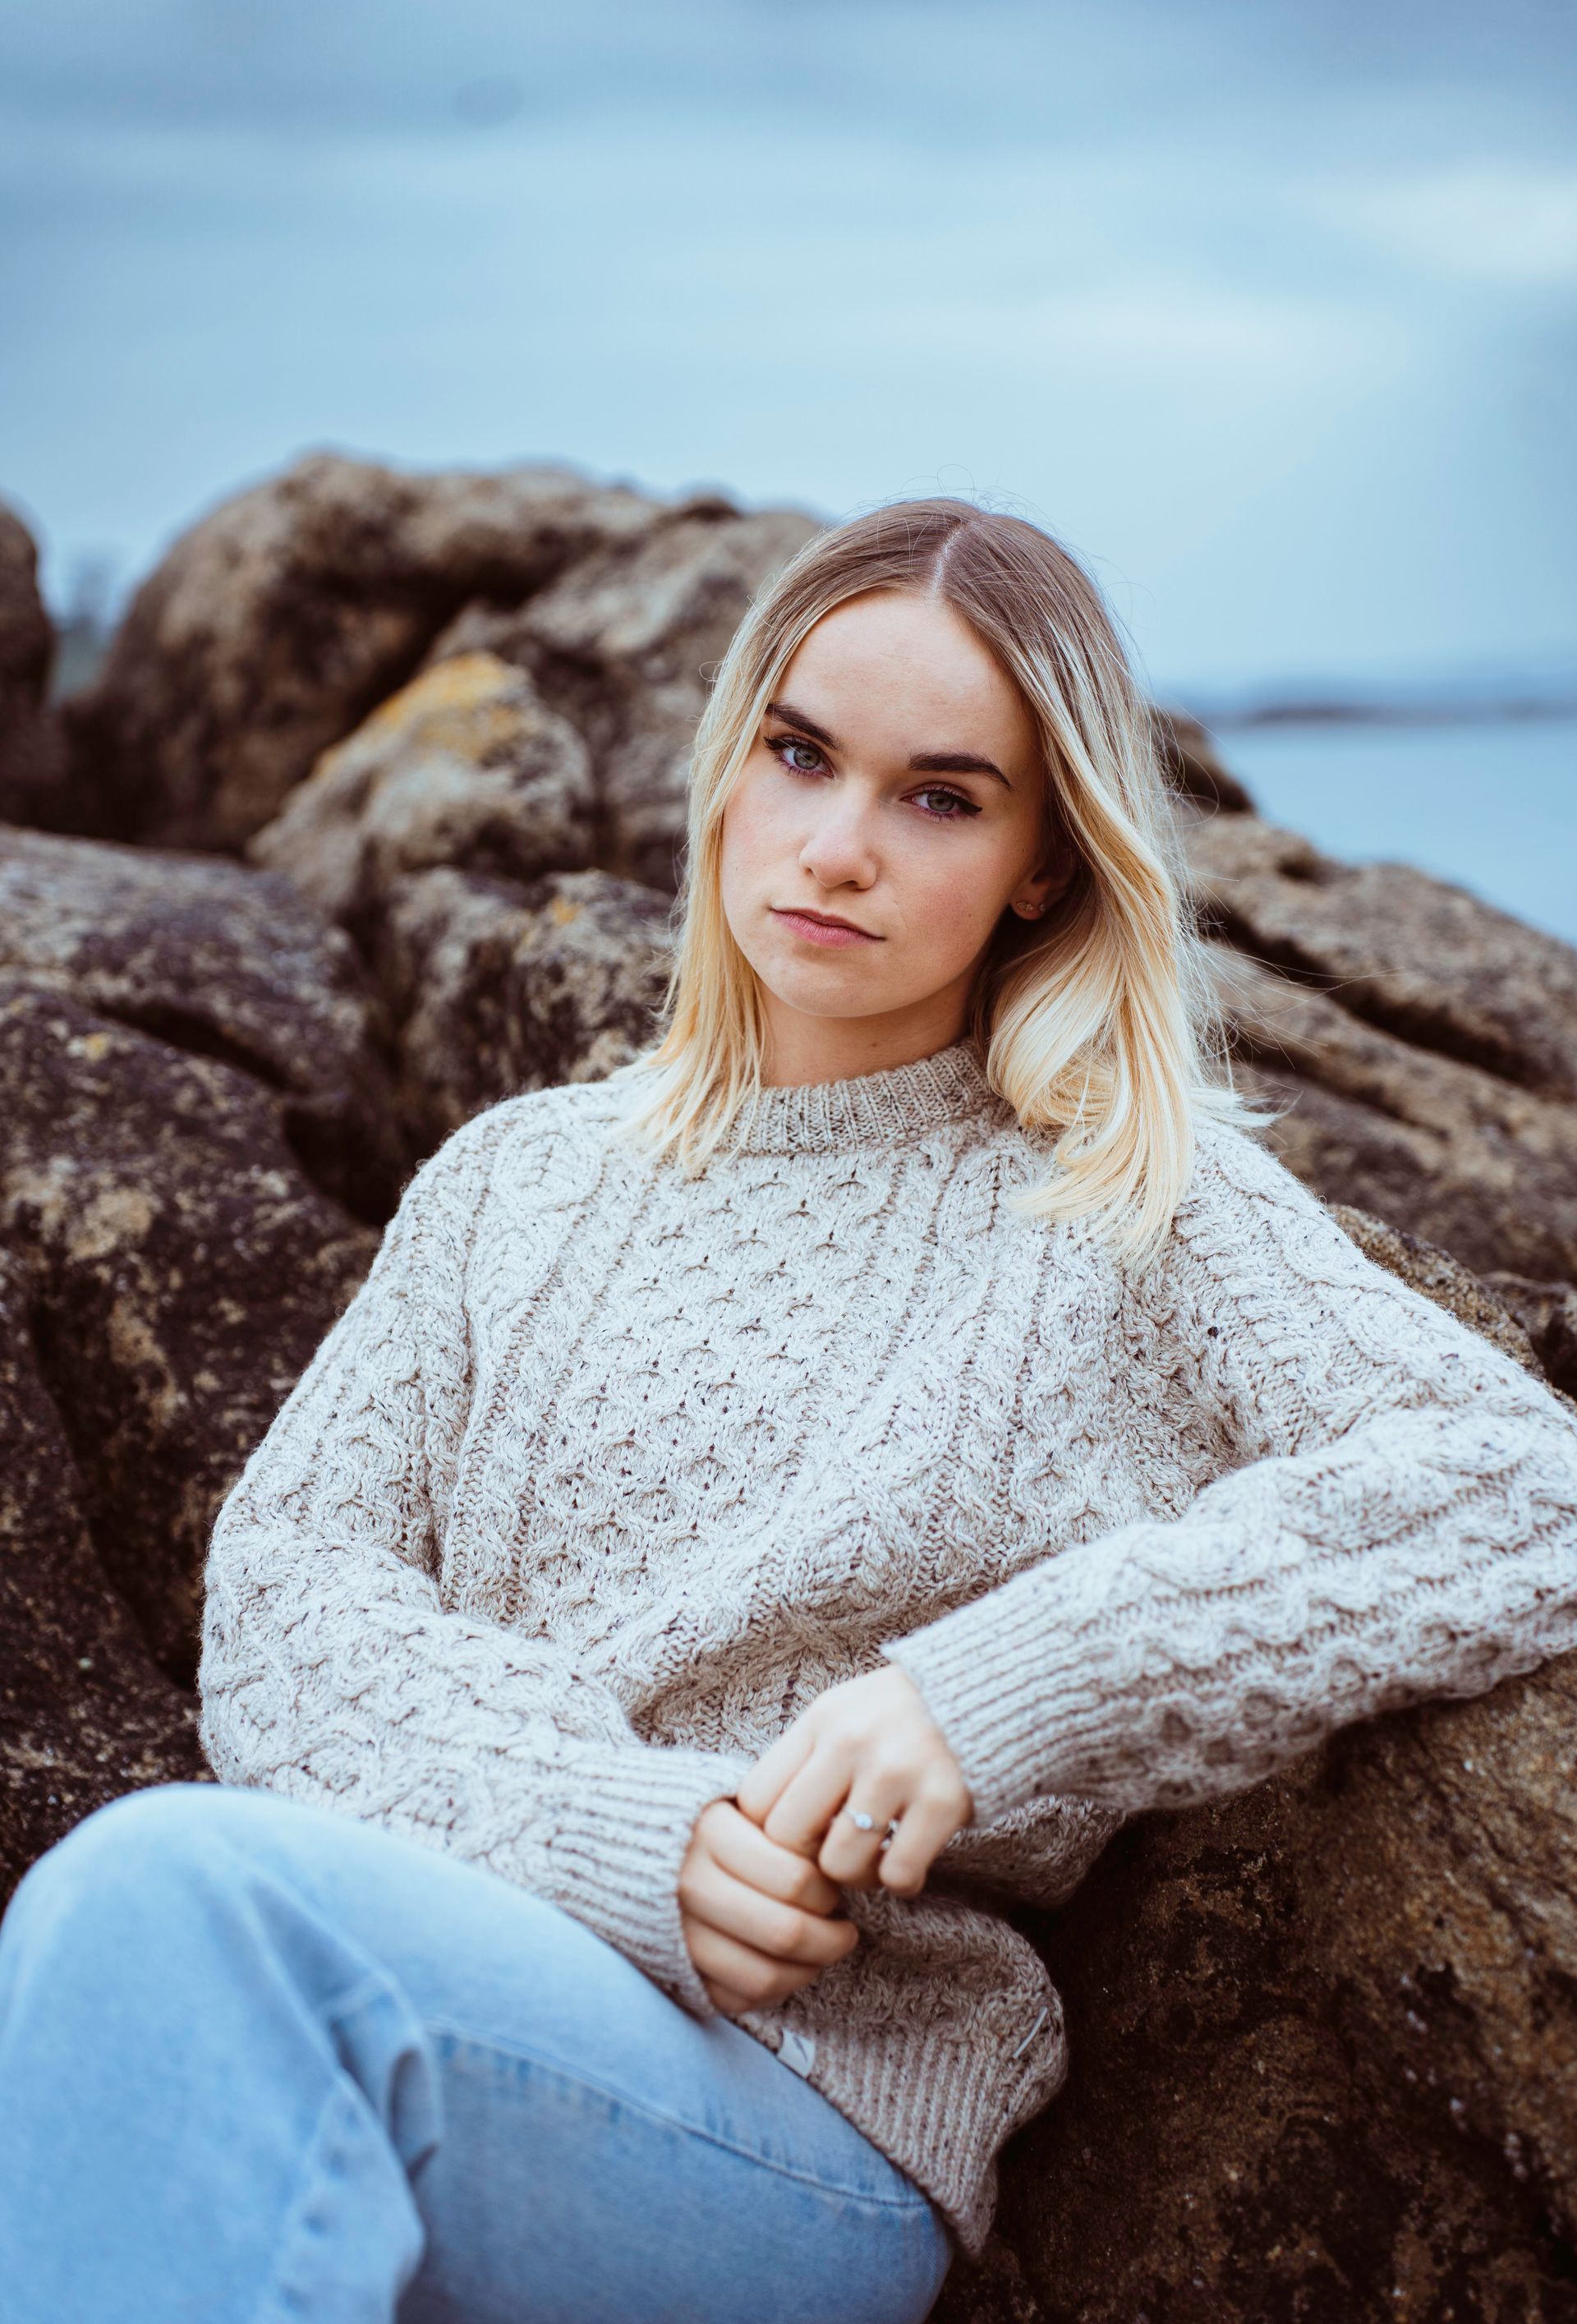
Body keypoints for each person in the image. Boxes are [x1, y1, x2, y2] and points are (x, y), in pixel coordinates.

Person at [2, 499, 1575, 2324]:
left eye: (941, 795)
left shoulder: (1131, 1201)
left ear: (1045, 865)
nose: (839, 845)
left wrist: (990, 1693)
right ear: (730, 763)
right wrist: (618, 1834)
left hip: (802, 2113)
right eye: (802, 754)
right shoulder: (517, 1181)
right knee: (113, 1939)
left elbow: (1521, 1481)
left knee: (177, 1913)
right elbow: (285, 1594)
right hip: (469, 1972)